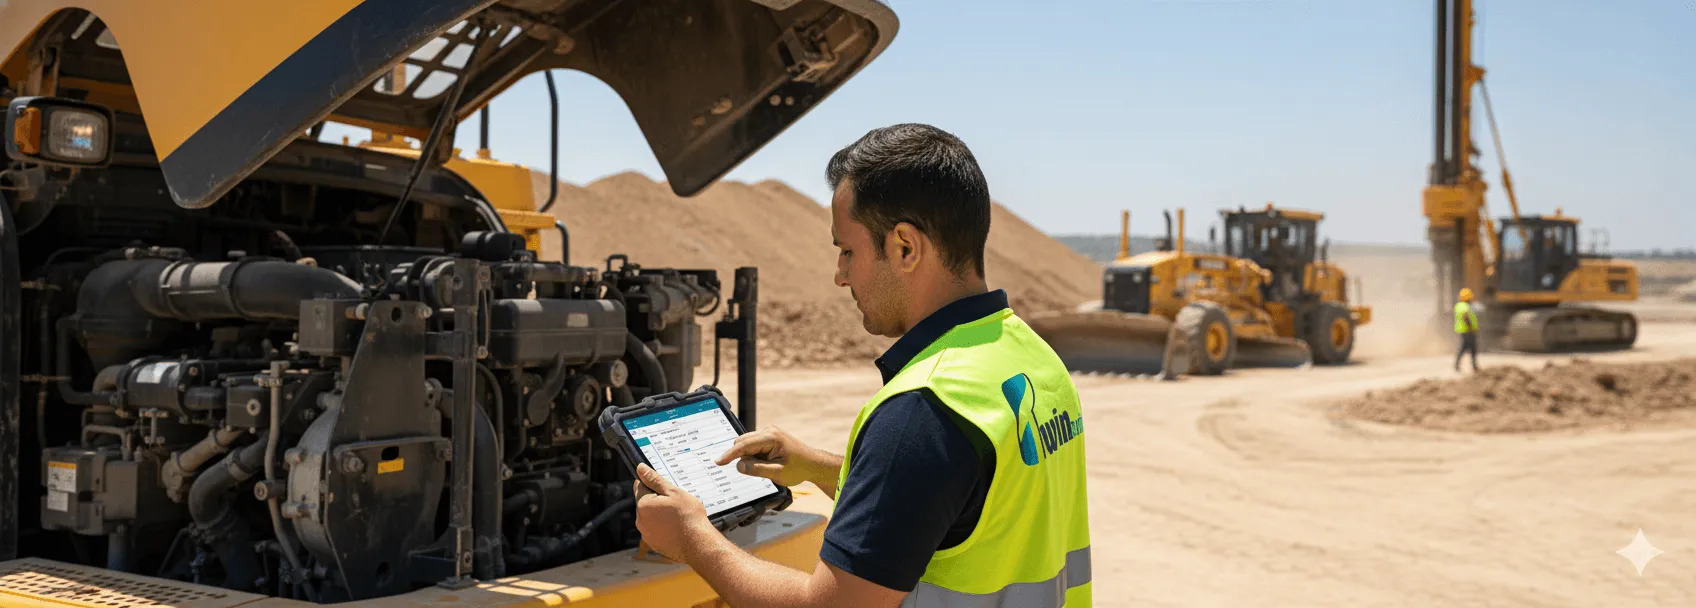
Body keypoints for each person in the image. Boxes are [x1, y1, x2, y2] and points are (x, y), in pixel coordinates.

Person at [631, 123, 1093, 607]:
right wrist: (820, 468)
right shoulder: (1033, 358)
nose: (840, 275)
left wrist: (692, 540)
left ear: (905, 247)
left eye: (848, 251)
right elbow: (956, 503)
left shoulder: (925, 410)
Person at [1454, 287, 1480, 372]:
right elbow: (1466, 317)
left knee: (1469, 348)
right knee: (1467, 348)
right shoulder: (1464, 306)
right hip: (1467, 330)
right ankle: (1472, 366)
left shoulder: (1459, 305)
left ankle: (1473, 366)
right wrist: (1471, 328)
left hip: (1464, 330)